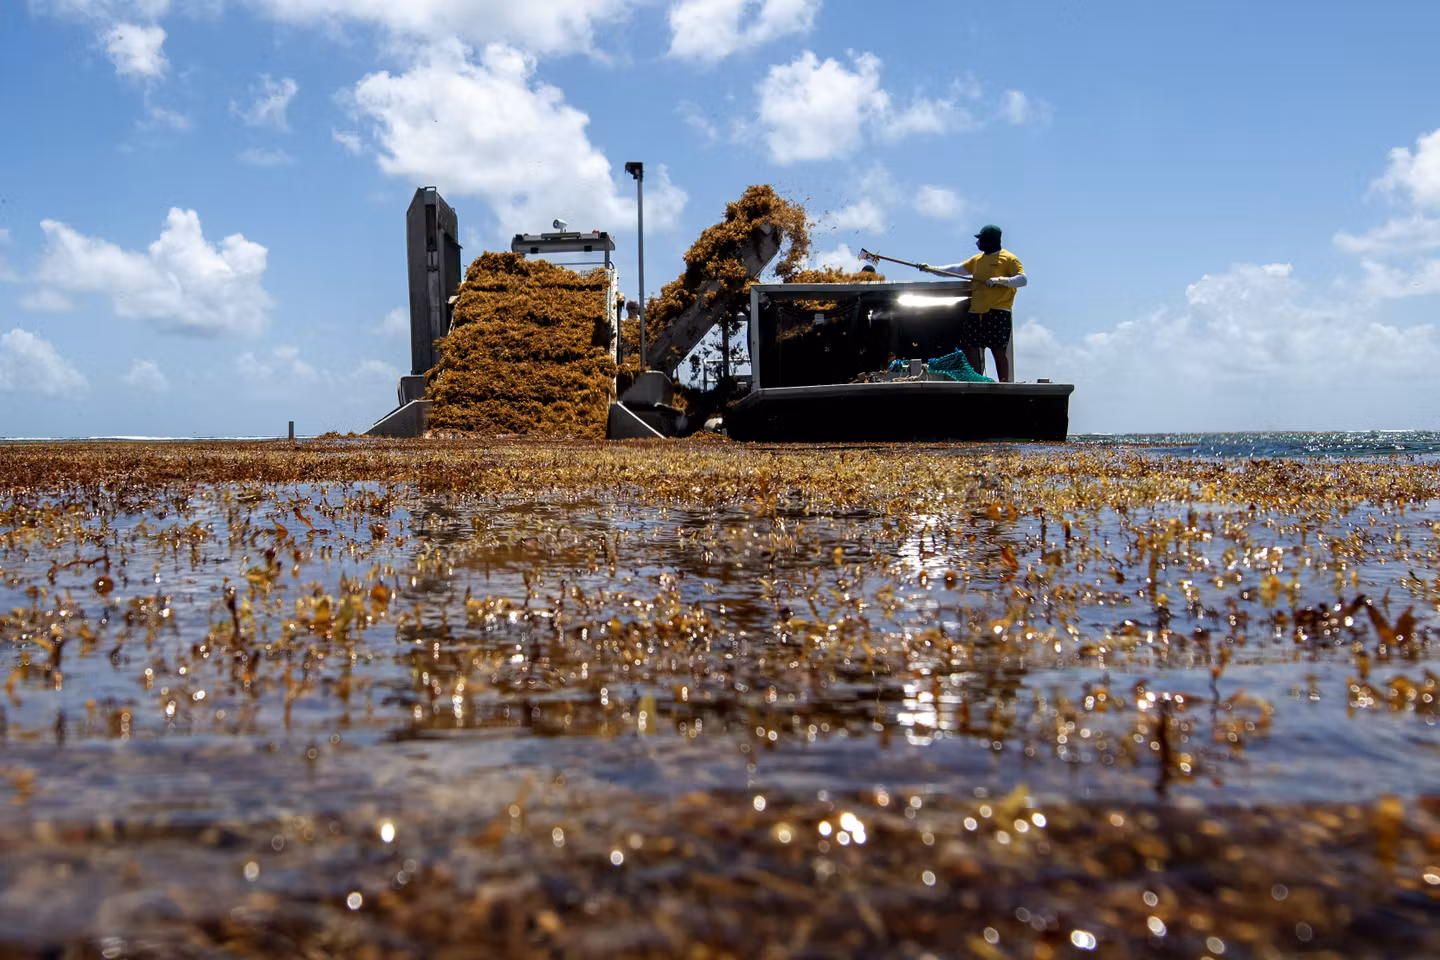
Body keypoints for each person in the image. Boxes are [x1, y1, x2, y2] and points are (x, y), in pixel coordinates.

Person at [920, 224, 1026, 382]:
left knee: (998, 349)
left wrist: (1001, 281)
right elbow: (956, 269)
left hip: (998, 311)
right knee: (971, 347)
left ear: (990, 240)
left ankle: (1004, 383)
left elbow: (1022, 279)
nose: (978, 243)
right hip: (976, 311)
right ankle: (975, 381)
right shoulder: (977, 260)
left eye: (981, 239)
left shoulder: (1009, 259)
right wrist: (931, 269)